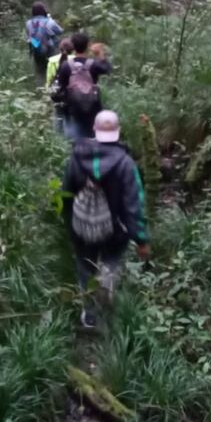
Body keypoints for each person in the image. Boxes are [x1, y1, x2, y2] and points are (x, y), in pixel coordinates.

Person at [61, 110, 150, 330]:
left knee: (85, 267)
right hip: (115, 231)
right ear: (118, 132)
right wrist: (141, 239)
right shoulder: (126, 164)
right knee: (110, 265)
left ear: (94, 129)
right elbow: (134, 205)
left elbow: (66, 193)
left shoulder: (76, 156)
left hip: (82, 228)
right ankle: (105, 306)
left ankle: (89, 316)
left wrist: (70, 224)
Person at [54, 32, 112, 140]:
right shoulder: (93, 64)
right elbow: (107, 69)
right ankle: (93, 154)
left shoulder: (66, 66)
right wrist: (100, 54)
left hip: (73, 107)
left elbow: (60, 87)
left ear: (73, 47)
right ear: (87, 46)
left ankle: (78, 153)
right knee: (92, 136)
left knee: (76, 138)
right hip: (93, 105)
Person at [25, 2, 63, 86]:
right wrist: (51, 19)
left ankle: (40, 88)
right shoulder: (49, 22)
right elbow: (60, 31)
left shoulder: (28, 23)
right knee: (53, 69)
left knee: (40, 71)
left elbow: (29, 36)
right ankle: (53, 86)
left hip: (36, 48)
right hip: (50, 49)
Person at [45, 39, 74, 134]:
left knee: (58, 115)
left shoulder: (52, 61)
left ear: (59, 48)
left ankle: (58, 137)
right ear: (72, 49)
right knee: (69, 116)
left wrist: (48, 91)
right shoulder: (75, 60)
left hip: (57, 92)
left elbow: (49, 79)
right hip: (71, 92)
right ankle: (69, 138)